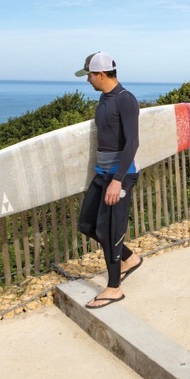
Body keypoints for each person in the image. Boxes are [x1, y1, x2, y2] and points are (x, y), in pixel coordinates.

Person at [75, 51, 143, 308]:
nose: (88, 80)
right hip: (101, 174)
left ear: (101, 74)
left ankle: (114, 288)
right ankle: (129, 258)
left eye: (90, 75)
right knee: (86, 225)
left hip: (120, 176)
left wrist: (117, 180)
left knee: (110, 230)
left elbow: (132, 142)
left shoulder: (126, 100)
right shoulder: (104, 99)